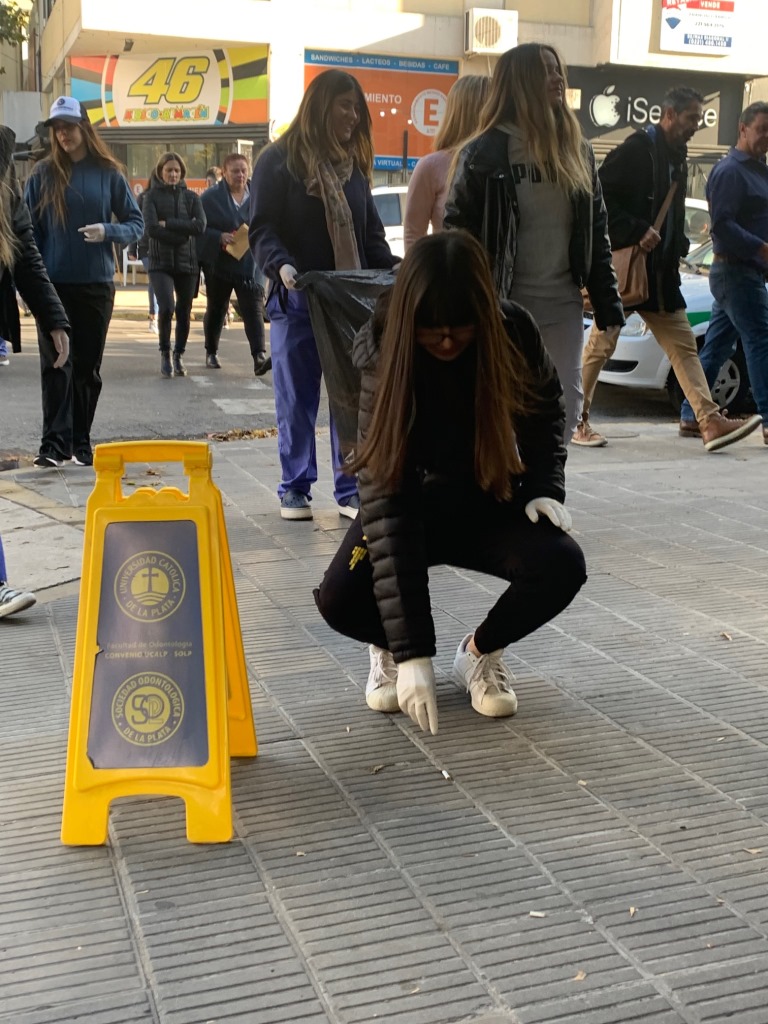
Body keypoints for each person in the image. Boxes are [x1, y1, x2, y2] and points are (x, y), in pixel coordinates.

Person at [314, 230, 587, 735]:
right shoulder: (381, 348)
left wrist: (545, 485)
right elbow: (385, 501)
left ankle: (478, 654)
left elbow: (546, 408)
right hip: (407, 500)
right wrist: (411, 650)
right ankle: (387, 651)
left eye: (458, 329)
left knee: (563, 564)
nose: (444, 341)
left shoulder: (512, 331)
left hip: (484, 497)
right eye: (430, 330)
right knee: (337, 599)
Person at [443, 43, 624, 441]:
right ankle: (510, 487)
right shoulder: (484, 151)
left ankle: (545, 490)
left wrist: (609, 303)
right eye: (546, 71)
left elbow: (596, 229)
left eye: (557, 69)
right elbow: (456, 232)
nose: (558, 78)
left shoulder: (577, 149)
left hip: (562, 300)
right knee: (503, 403)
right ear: (520, 80)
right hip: (503, 301)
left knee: (566, 405)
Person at [249, 68, 397, 521]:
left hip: (347, 303)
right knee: (297, 396)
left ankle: (350, 486)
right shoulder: (278, 161)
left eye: (357, 107)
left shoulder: (353, 170)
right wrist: (281, 264)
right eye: (344, 105)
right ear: (320, 105)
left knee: (351, 394)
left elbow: (372, 239)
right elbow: (262, 226)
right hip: (296, 298)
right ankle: (294, 486)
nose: (353, 115)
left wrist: (402, 271)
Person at [581, 86, 762, 452]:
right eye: (691, 118)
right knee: (601, 346)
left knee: (684, 347)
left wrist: (676, 244)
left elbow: (673, 210)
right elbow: (595, 196)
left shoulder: (676, 156)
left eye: (698, 117)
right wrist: (635, 229)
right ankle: (573, 419)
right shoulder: (636, 150)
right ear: (668, 115)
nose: (696, 125)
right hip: (628, 276)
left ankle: (708, 421)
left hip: (661, 278)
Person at [24, 96, 142, 468]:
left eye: (69, 127)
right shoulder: (42, 174)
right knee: (56, 364)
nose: (62, 135)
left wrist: (107, 230)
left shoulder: (109, 173)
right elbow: (28, 233)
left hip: (95, 284)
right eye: (57, 129)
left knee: (87, 366)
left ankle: (80, 441)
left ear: (84, 128)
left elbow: (136, 224)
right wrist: (30, 287)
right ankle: (53, 444)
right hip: (53, 286)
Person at [679, 102, 768, 446]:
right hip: (735, 270)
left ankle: (691, 412)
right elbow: (722, 226)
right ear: (743, 129)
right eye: (761, 129)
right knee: (760, 340)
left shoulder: (759, 170)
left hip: (744, 272)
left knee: (716, 346)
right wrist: (761, 248)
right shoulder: (730, 170)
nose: (766, 137)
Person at [199, 152, 271, 375]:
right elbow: (199, 229)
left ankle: (259, 355)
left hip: (251, 263)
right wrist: (217, 237)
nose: (240, 175)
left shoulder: (260, 195)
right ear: (224, 172)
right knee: (217, 308)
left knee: (253, 310)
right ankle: (211, 350)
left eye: (243, 170)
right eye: (235, 171)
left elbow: (269, 222)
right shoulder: (210, 198)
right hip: (220, 264)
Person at [403, 74, 490, 250]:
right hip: (446, 274)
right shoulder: (431, 167)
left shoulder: (504, 163)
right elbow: (413, 235)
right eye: (493, 106)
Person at [142, 152, 206, 378]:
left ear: (182, 173)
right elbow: (151, 229)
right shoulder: (150, 197)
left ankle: (179, 354)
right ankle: (165, 353)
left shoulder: (192, 198)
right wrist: (181, 234)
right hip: (161, 262)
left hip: (188, 263)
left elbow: (200, 226)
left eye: (176, 171)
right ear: (161, 172)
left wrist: (169, 223)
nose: (173, 174)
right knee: (167, 307)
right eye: (169, 170)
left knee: (184, 310)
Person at [134, 177, 159, 334]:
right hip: (146, 246)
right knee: (154, 279)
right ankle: (153, 317)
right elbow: (135, 223)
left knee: (162, 282)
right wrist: (131, 248)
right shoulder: (143, 198)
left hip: (165, 246)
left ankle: (162, 315)